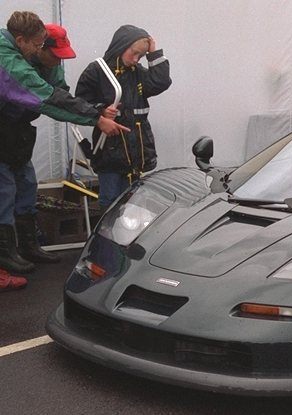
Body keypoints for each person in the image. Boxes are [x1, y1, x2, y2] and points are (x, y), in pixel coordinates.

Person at [1, 11, 128, 285]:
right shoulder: (9, 60)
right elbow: (45, 98)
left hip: (17, 133)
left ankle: (28, 246)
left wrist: (95, 111)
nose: (59, 61)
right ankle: (5, 256)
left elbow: (61, 98)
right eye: (52, 53)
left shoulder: (46, 61)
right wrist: (95, 118)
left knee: (26, 185)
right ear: (29, 44)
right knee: (4, 192)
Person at [75, 24, 172, 208]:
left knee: (134, 204)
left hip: (137, 154)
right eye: (134, 53)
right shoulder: (97, 70)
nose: (136, 60)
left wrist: (154, 53)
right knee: (110, 202)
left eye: (140, 56)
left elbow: (160, 83)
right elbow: (80, 102)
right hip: (109, 153)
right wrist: (101, 110)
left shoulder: (138, 73)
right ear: (121, 46)